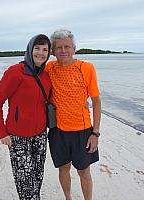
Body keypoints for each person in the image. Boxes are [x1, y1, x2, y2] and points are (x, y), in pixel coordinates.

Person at [0, 34, 51, 200]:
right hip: (18, 137)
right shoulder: (15, 72)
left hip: (40, 135)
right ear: (30, 49)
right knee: (25, 180)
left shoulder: (46, 74)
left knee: (37, 176)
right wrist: (2, 133)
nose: (41, 53)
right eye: (37, 48)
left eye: (45, 49)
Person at [46, 29, 101, 200]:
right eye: (59, 47)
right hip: (58, 131)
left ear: (74, 48)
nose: (64, 51)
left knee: (83, 170)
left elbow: (97, 101)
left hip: (83, 130)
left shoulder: (86, 68)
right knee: (63, 169)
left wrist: (95, 133)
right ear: (53, 52)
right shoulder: (49, 68)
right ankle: (68, 198)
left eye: (67, 46)